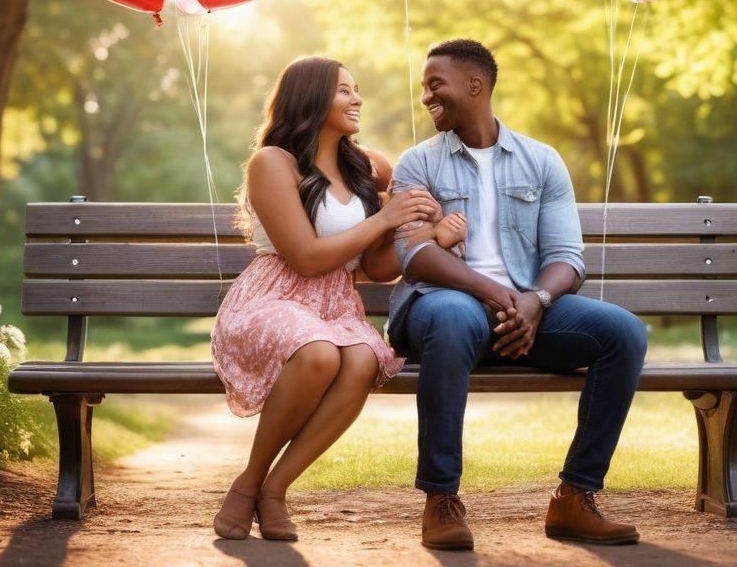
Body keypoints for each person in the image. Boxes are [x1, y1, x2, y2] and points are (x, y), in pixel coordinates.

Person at [387, 39, 649, 551]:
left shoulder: (541, 161)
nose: (426, 97)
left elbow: (567, 257)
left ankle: (575, 497)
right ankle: (441, 498)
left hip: (525, 313)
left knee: (623, 333)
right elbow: (414, 255)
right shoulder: (418, 163)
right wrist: (496, 293)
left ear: (475, 85)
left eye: (435, 85)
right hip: (445, 304)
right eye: (424, 88)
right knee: (453, 316)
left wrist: (535, 302)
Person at [210, 56, 439, 541]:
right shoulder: (273, 163)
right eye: (344, 91)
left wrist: (428, 232)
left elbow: (376, 267)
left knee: (361, 360)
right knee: (318, 353)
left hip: (336, 305)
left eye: (356, 89)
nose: (357, 99)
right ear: (311, 98)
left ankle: (275, 490)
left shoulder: (370, 166)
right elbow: (306, 258)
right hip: (273, 296)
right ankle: (249, 481)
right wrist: (384, 217)